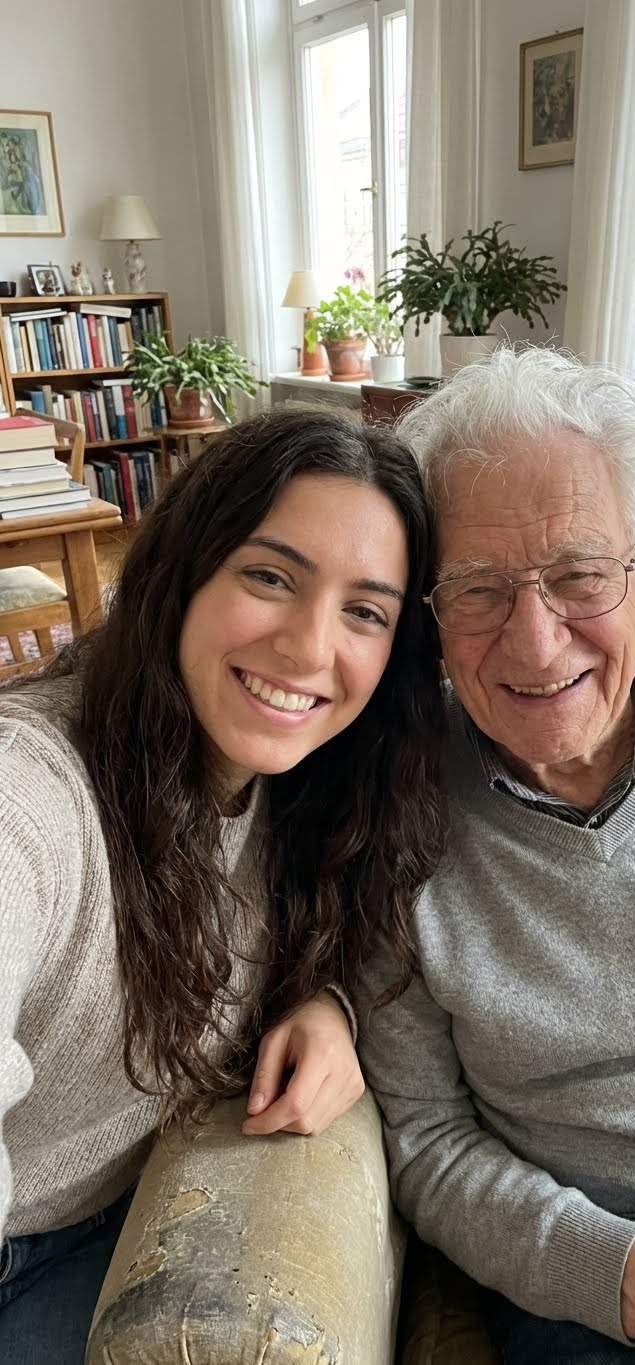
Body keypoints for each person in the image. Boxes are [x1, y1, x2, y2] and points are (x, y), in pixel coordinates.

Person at [0, 407, 444, 1364]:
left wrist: (329, 1001)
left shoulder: (314, 786)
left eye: (365, 611)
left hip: (111, 1234)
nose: (309, 648)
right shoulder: (31, 789)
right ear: (182, 571)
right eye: (270, 576)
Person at [357, 347, 635, 1365]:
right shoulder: (387, 808)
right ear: (429, 617)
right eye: (478, 590)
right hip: (582, 1274)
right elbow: (428, 1141)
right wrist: (629, 1281)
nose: (537, 644)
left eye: (579, 577)